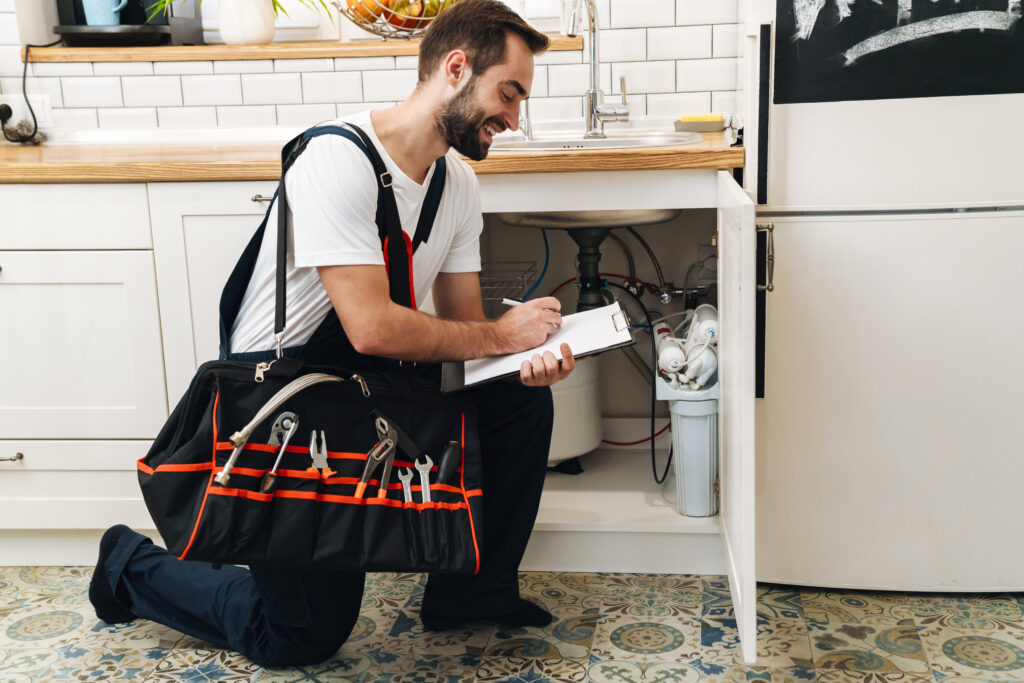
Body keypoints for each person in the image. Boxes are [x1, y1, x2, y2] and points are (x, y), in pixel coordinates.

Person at [88, 0, 576, 668]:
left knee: (520, 401)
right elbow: (372, 327)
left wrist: (523, 356)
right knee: (296, 635)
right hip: (291, 406)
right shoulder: (335, 160)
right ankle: (128, 564)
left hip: (373, 387)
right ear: (456, 69)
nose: (514, 119)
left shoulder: (456, 185)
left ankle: (471, 593)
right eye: (508, 93)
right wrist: (499, 335)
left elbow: (466, 332)